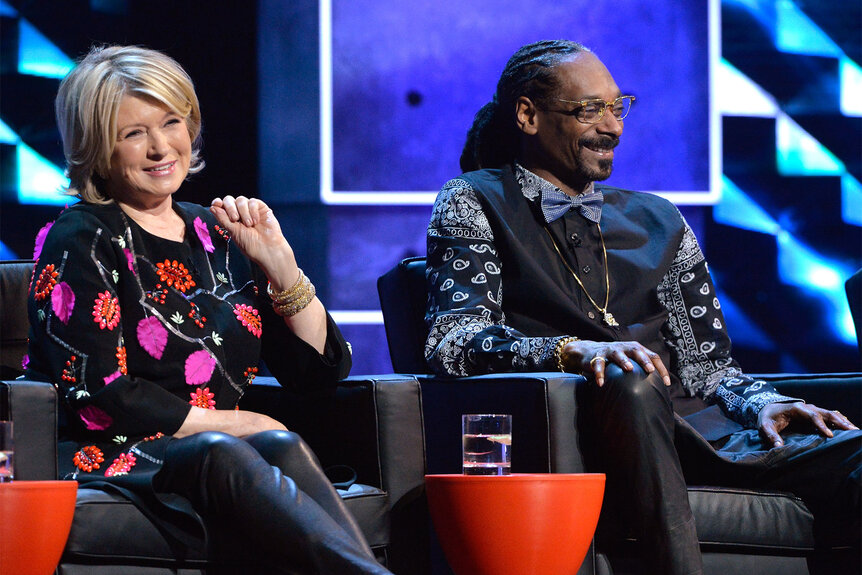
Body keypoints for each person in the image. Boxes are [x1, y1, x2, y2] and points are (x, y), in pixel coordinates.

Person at [425, 39, 861, 575]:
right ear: (527, 115)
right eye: (590, 109)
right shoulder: (475, 199)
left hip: (711, 435)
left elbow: (709, 368)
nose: (613, 127)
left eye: (618, 106)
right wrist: (570, 351)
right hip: (599, 434)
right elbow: (453, 340)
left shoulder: (661, 219)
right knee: (629, 377)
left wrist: (760, 404)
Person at [26, 45, 391, 574]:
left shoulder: (215, 232)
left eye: (171, 122)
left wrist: (279, 263)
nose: (160, 148)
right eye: (134, 134)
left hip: (222, 453)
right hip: (110, 453)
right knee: (227, 448)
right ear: (97, 148)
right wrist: (232, 423)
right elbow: (99, 395)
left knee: (274, 443)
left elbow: (318, 372)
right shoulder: (82, 237)